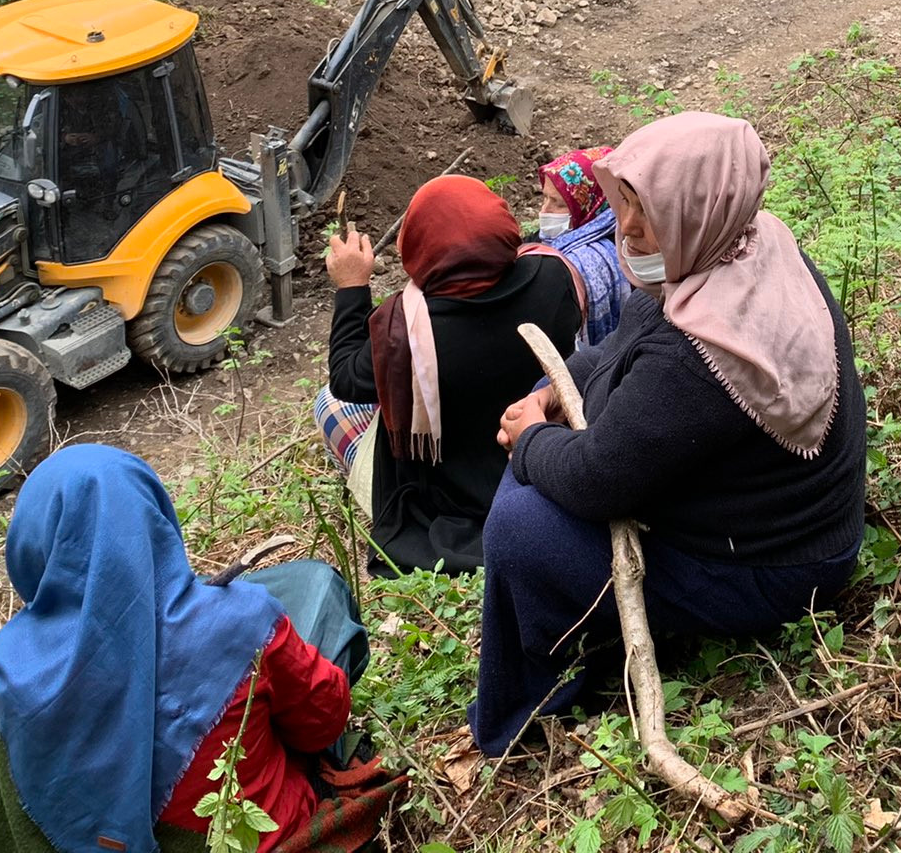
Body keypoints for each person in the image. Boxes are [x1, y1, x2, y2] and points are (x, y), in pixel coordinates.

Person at [468, 113, 867, 756]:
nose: (627, 228)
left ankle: (525, 704)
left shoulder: (697, 353)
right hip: (795, 522)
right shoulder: (740, 247)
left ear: (698, 208)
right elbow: (621, 342)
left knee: (520, 522)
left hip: (775, 565)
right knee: (541, 476)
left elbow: (597, 480)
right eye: (623, 204)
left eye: (645, 211)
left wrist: (535, 439)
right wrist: (553, 388)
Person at [0, 445, 402, 853]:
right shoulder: (241, 620)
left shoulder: (3, 673)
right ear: (154, 516)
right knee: (315, 592)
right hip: (257, 838)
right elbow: (322, 724)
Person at [316, 176, 582, 575]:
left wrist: (352, 287)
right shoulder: (553, 278)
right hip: (536, 465)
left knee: (329, 404)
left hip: (450, 500)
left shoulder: (405, 333)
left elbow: (346, 379)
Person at [536, 147, 631, 351]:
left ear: (589, 204)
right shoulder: (604, 228)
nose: (544, 211)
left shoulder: (586, 262)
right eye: (544, 198)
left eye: (558, 203)